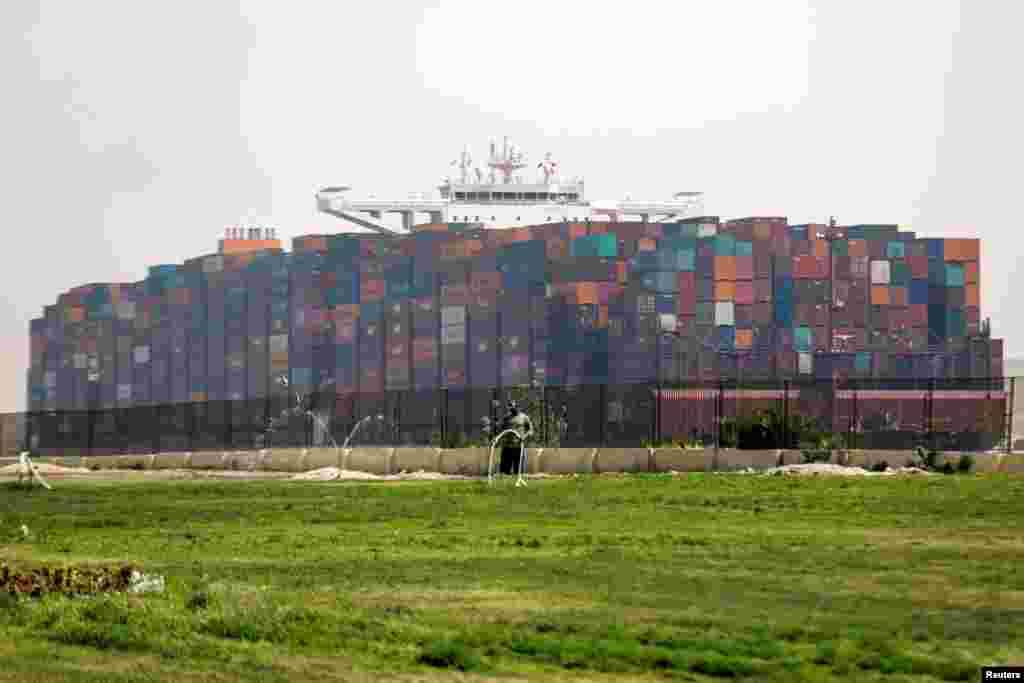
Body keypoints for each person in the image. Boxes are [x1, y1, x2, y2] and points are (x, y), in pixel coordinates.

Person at [499, 400, 534, 475]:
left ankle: (517, 482)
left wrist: (524, 436)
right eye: (510, 407)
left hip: (519, 447)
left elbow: (530, 430)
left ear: (517, 407)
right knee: (504, 472)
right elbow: (501, 430)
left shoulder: (524, 417)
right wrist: (500, 437)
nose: (511, 409)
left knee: (518, 471)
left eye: (513, 407)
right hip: (507, 447)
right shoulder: (506, 418)